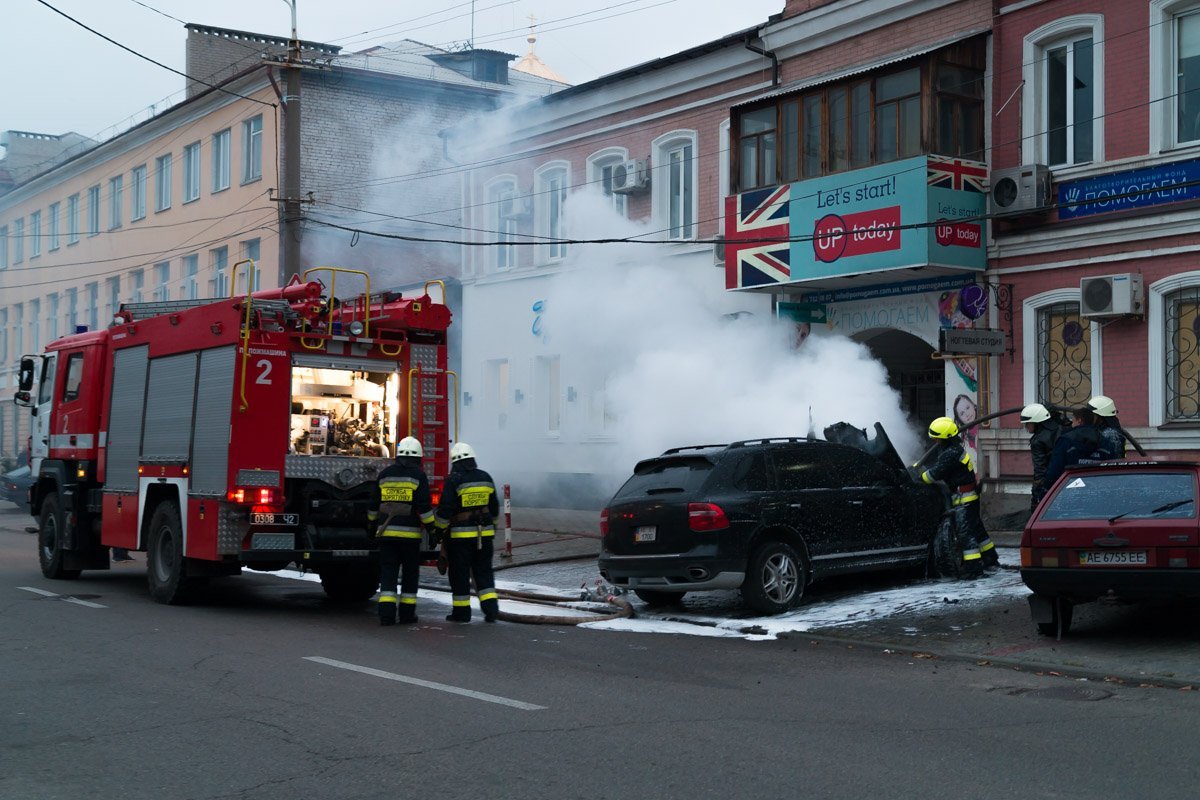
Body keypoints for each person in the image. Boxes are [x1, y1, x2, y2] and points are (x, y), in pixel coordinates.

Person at [919, 416, 998, 578]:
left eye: (936, 438)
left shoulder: (950, 454)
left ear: (943, 438)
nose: (934, 441)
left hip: (964, 499)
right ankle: (990, 559)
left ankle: (973, 569)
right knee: (977, 529)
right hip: (969, 496)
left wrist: (918, 476)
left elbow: (934, 475)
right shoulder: (954, 449)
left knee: (965, 533)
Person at [368, 436, 435, 626]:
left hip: (387, 535)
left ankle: (386, 615)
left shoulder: (385, 474)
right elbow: (424, 508)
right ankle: (407, 615)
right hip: (410, 538)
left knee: (388, 574)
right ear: (418, 458)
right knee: (410, 575)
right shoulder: (418, 476)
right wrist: (432, 531)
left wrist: (372, 526)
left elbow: (374, 505)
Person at [434, 442, 500, 623]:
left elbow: (445, 509)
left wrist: (437, 532)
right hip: (484, 537)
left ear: (455, 462)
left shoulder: (454, 480)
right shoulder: (485, 477)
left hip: (461, 539)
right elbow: (494, 508)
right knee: (484, 573)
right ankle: (491, 611)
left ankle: (462, 614)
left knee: (460, 575)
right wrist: (492, 528)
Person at [1043, 406, 1104, 488]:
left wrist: (1046, 489)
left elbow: (1055, 469)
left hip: (1071, 487)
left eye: (1073, 420)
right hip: (1098, 487)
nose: (1071, 423)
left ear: (1079, 421)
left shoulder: (1065, 440)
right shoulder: (1105, 441)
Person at [1021, 402, 1062, 512]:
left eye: (1028, 423)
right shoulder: (1060, 429)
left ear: (1037, 422)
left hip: (1049, 482)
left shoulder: (1038, 440)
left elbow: (1040, 470)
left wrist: (1036, 493)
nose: (1026, 426)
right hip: (1063, 479)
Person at [1087, 395, 1126, 460]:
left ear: (1100, 417)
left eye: (1091, 415)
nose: (1088, 417)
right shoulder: (1097, 430)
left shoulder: (1110, 435)